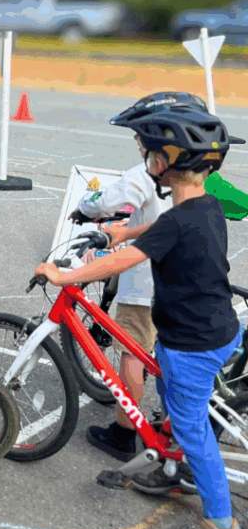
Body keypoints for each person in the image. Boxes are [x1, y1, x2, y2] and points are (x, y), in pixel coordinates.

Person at [36, 103, 246, 529]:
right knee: (176, 405)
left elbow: (123, 263)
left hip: (192, 342)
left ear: (168, 162)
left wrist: (64, 276)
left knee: (191, 428)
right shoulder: (204, 206)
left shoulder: (179, 219)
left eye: (153, 153)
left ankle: (221, 526)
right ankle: (173, 468)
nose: (149, 159)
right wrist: (117, 232)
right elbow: (157, 228)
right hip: (212, 328)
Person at [75, 92, 208, 462]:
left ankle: (123, 432)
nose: (136, 142)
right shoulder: (197, 173)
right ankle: (174, 424)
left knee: (133, 351)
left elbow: (102, 203)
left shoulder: (145, 173)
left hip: (146, 282)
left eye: (140, 135)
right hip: (189, 278)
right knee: (171, 354)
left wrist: (85, 205)